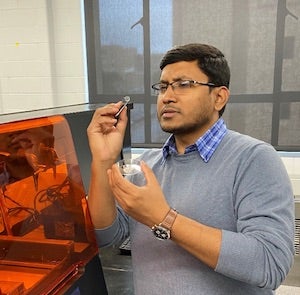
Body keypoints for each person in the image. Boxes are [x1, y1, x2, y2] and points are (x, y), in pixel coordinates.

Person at [87, 43, 295, 294]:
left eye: (184, 85)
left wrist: (163, 219)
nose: (168, 96)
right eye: (163, 87)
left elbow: (269, 262)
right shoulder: (147, 167)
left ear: (219, 97)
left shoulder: (254, 159)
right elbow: (104, 236)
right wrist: (102, 160)